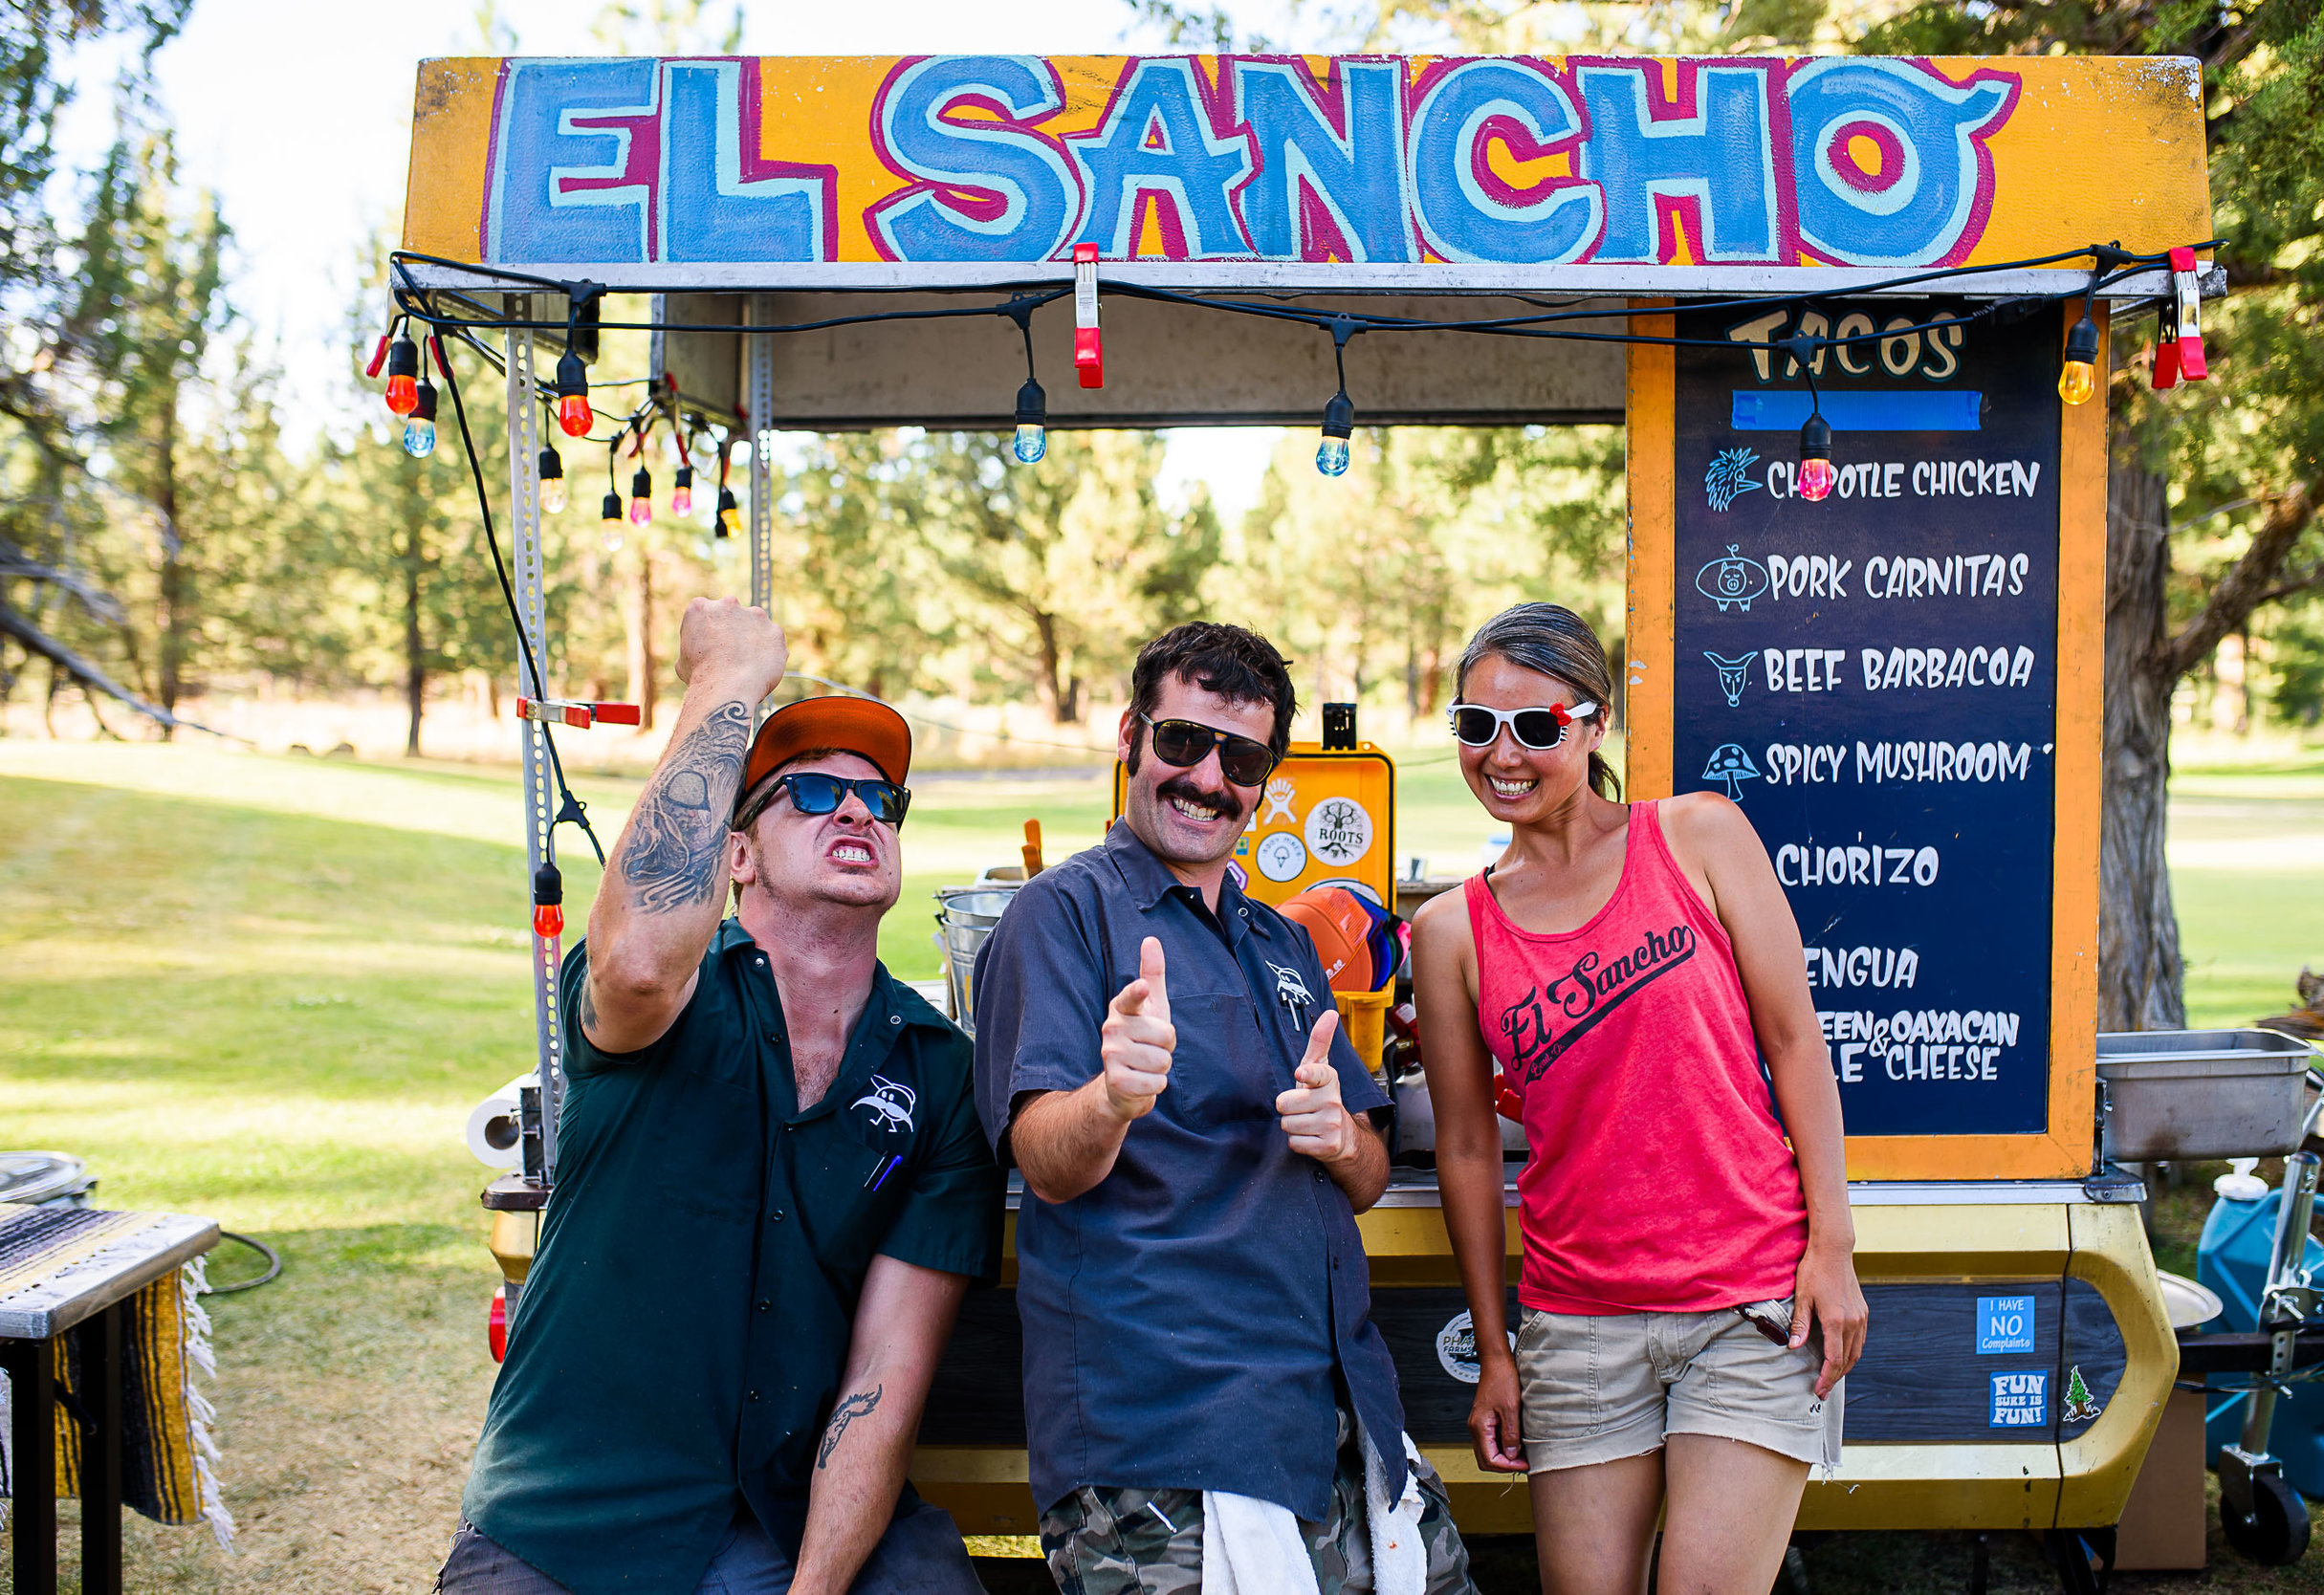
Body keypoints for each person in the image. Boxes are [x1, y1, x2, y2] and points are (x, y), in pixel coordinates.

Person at [441, 598, 1004, 1595]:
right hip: (576, 1511)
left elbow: (883, 1374)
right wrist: (729, 678)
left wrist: (814, 1589)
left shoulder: (933, 1069)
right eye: (813, 794)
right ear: (733, 854)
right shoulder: (671, 991)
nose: (856, 813)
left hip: (796, 1514)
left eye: (881, 801)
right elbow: (642, 966)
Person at [971, 622, 1477, 1595]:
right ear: (1129, 735)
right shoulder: (1061, 916)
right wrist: (1113, 1097)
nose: (1207, 777)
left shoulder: (1280, 943)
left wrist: (1343, 1139)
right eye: (1182, 742)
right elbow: (1046, 1159)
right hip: (1162, 1438)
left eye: (1239, 757)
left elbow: (1368, 1173)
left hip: (1335, 1411)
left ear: (1264, 778)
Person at [1409, 601, 1867, 1595]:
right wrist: (1496, 1350)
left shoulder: (1699, 836)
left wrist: (1831, 1249)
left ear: (1594, 723)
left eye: (1537, 726)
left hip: (1747, 1306)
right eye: (1475, 726)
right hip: (1577, 1326)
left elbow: (1796, 1044)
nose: (1504, 754)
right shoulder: (1449, 932)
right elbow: (1467, 1149)